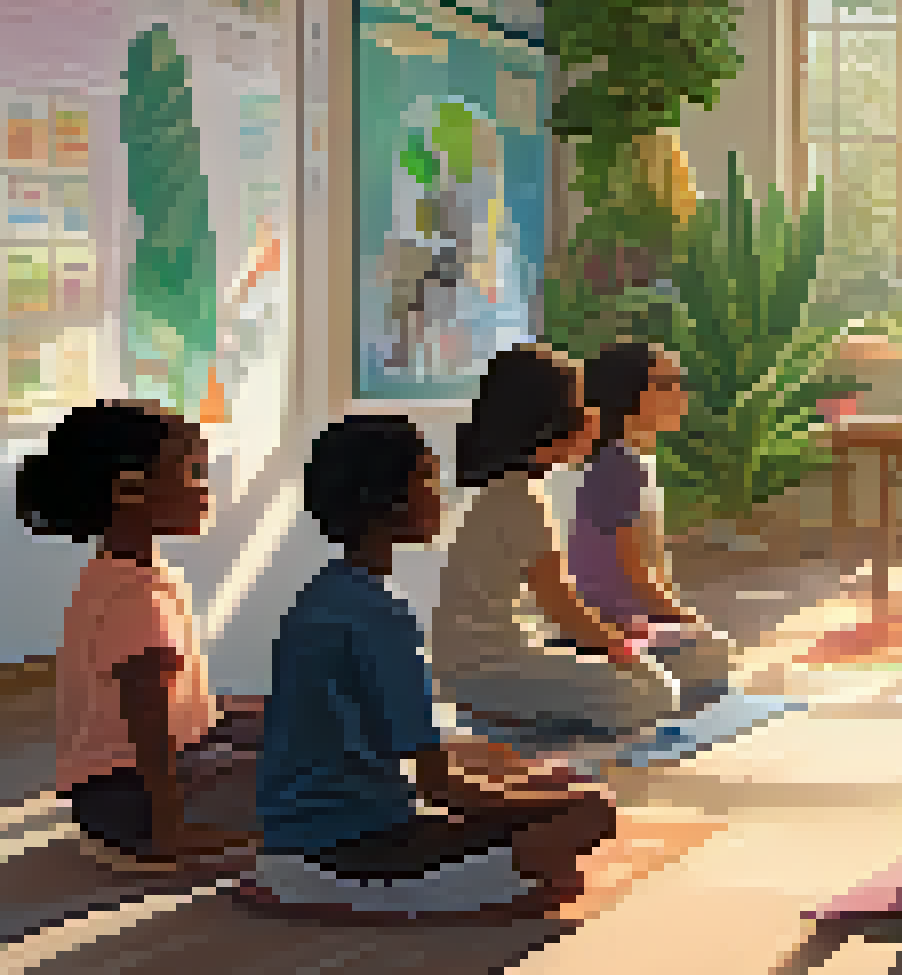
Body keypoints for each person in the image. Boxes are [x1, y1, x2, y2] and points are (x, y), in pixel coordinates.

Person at [252, 416, 617, 916]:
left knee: (516, 769)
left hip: (289, 837)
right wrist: (552, 804)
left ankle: (460, 877)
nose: (439, 493)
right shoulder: (383, 614)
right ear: (393, 500)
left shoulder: (319, 597)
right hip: (355, 842)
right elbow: (438, 786)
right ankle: (406, 890)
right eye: (427, 476)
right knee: (589, 813)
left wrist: (515, 778)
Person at [24, 402, 261, 869]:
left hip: (110, 795)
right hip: (130, 799)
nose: (204, 489)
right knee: (315, 765)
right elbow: (146, 717)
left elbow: (181, 710)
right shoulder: (137, 594)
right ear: (129, 489)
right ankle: (166, 830)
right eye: (191, 472)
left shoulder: (118, 573)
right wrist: (168, 825)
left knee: (284, 729)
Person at [429, 344, 677, 739]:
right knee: (653, 691)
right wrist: (624, 651)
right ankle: (501, 716)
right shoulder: (523, 500)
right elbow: (564, 608)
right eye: (581, 406)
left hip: (475, 664)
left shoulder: (503, 491)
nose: (594, 416)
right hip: (484, 673)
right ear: (549, 421)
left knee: (646, 682)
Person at [570, 342, 736, 709]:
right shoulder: (620, 467)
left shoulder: (630, 461)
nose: (681, 393)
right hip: (615, 625)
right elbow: (636, 572)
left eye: (680, 382)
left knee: (710, 652)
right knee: (714, 652)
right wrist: (690, 621)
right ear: (630, 396)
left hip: (632, 620)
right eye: (667, 383)